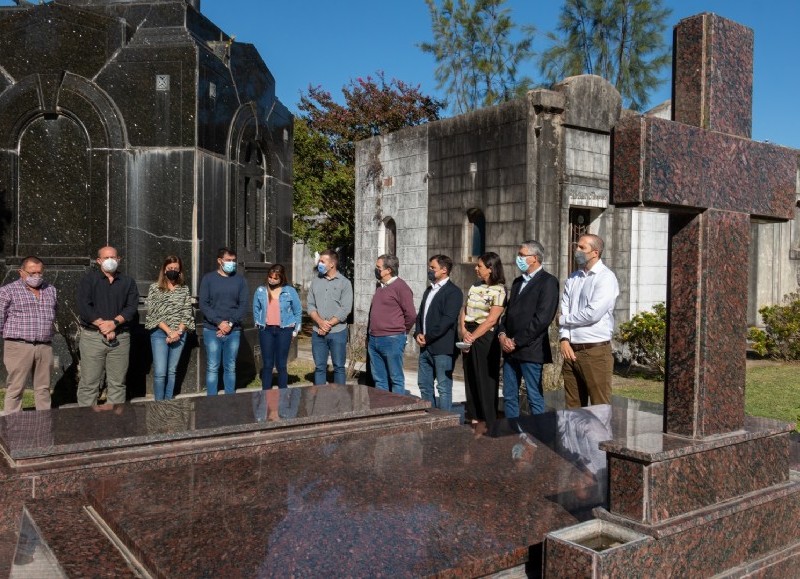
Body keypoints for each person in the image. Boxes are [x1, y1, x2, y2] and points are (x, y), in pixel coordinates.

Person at [499, 240, 560, 417]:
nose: (518, 258)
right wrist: (502, 335)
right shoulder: (518, 282)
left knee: (534, 395)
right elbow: (508, 313)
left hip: (530, 349)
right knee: (509, 395)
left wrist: (516, 341)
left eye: (522, 255)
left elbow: (542, 319)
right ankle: (512, 431)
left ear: (534, 258)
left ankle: (538, 434)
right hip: (509, 349)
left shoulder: (548, 282)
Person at [559, 234, 620, 408]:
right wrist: (564, 339)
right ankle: (574, 437)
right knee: (573, 406)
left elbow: (593, 314)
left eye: (581, 247)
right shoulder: (573, 277)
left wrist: (563, 320)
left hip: (595, 351)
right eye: (577, 246)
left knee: (599, 406)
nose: (576, 250)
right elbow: (565, 307)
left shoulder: (606, 277)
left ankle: (600, 437)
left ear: (595, 252)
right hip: (570, 350)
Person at [76, 246, 140, 406]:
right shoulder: (89, 280)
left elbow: (131, 307)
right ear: (98, 261)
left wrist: (114, 323)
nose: (110, 260)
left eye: (113, 257)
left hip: (120, 338)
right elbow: (84, 306)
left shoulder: (128, 282)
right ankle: (85, 423)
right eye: (106, 258)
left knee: (117, 384)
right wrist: (102, 325)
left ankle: (114, 424)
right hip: (92, 337)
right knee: (89, 383)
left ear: (119, 259)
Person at [0, 256, 58, 413]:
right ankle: (12, 428)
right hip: (19, 345)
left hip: (44, 346)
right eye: (32, 273)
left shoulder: (50, 290)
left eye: (40, 273)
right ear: (21, 272)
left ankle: (43, 425)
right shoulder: (7, 291)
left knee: (43, 388)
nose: (37, 276)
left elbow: (53, 314)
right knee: (16, 388)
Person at [459, 252, 506, 430]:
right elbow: (465, 309)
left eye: (480, 266)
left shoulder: (499, 289)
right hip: (469, 333)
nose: (476, 268)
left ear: (490, 268)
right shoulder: (474, 286)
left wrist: (474, 336)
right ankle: (473, 416)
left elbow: (492, 319)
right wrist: (464, 330)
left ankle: (488, 419)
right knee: (470, 376)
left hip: (485, 336)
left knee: (484, 377)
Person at [414, 254, 463, 412]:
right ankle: (429, 418)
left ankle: (444, 422)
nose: (429, 270)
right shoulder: (429, 290)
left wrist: (427, 337)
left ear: (444, 270)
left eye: (432, 268)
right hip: (425, 348)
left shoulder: (453, 292)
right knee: (424, 385)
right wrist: (418, 333)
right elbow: (421, 315)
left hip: (442, 348)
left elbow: (447, 321)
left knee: (443, 388)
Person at [199, 247, 249, 396]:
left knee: (230, 366)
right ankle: (212, 399)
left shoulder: (240, 280)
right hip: (211, 329)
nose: (232, 263)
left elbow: (243, 305)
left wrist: (230, 324)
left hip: (233, 331)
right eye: (228, 260)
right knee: (213, 366)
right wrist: (219, 323)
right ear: (219, 261)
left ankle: (229, 399)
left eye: (234, 261)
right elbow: (204, 304)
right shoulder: (208, 279)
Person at [144, 255, 195, 401]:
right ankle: (159, 404)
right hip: (160, 333)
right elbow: (153, 313)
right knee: (160, 372)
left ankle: (169, 402)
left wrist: (178, 331)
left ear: (180, 271)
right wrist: (169, 332)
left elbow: (187, 313)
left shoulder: (184, 289)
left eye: (176, 269)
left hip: (179, 333)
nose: (173, 271)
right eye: (170, 268)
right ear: (164, 269)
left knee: (172, 370)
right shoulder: (155, 288)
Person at [368, 254, 415, 394]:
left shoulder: (401, 287)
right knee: (379, 379)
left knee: (396, 378)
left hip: (392, 339)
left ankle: (397, 410)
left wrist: (401, 331)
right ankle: (383, 409)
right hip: (374, 339)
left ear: (388, 270)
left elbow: (411, 315)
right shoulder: (380, 286)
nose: (375, 269)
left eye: (378, 267)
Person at [307, 249, 353, 385]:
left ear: (332, 264)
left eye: (322, 261)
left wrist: (328, 325)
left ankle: (340, 401)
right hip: (318, 332)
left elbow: (345, 309)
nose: (319, 263)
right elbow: (310, 305)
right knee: (319, 367)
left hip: (338, 332)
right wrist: (320, 323)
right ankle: (320, 401)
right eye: (319, 261)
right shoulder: (315, 281)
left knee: (339, 367)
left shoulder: (345, 283)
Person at [253, 264, 302, 389]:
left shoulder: (290, 291)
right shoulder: (260, 290)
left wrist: (295, 330)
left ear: (282, 278)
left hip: (284, 330)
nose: (272, 280)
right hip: (266, 331)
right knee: (268, 364)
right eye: (270, 277)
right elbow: (256, 308)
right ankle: (266, 393)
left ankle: (283, 394)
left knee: (281, 364)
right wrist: (259, 322)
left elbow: (297, 311)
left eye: (275, 278)